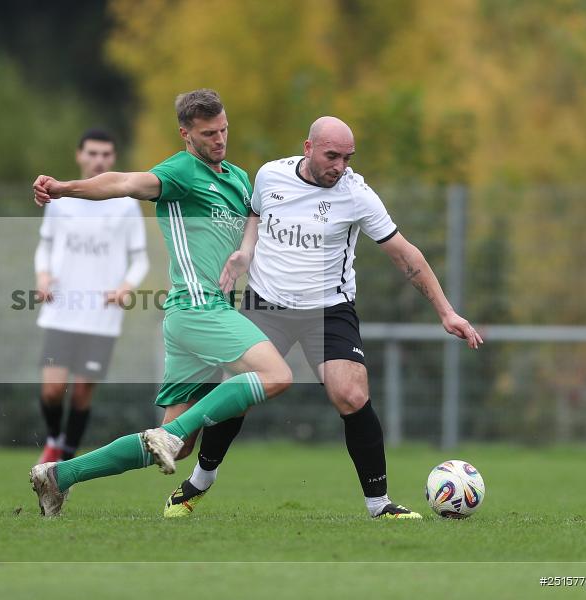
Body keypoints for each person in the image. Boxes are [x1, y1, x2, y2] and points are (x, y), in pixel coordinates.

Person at [163, 116, 483, 519]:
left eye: (348, 158)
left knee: (351, 395)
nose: (340, 166)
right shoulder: (270, 175)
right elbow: (254, 217)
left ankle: (379, 505)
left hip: (328, 309)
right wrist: (245, 252)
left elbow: (405, 255)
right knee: (239, 393)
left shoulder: (357, 195)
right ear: (308, 148)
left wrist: (446, 312)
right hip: (266, 304)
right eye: (332, 156)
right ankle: (199, 482)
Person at [30, 89, 293, 516]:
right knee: (276, 374)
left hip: (198, 315)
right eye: (208, 134)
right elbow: (123, 182)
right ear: (186, 134)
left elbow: (254, 219)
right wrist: (65, 188)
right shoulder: (181, 171)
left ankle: (58, 476)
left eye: (223, 130)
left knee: (179, 444)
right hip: (198, 308)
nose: (219, 139)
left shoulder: (239, 178)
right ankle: (167, 437)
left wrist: (247, 251)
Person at [33, 129, 149, 464]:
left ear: (113, 158)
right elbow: (45, 246)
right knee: (52, 389)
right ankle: (54, 441)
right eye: (93, 153)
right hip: (61, 310)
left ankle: (66, 462)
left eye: (106, 154)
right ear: (79, 155)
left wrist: (126, 287)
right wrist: (42, 275)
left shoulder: (126, 205)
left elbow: (140, 259)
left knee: (82, 393)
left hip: (101, 315)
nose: (99, 160)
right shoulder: (61, 199)